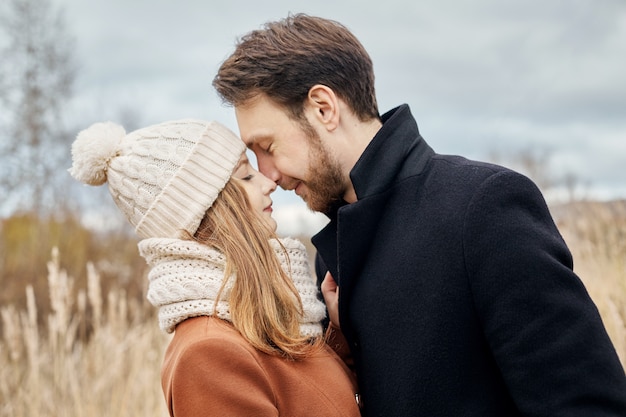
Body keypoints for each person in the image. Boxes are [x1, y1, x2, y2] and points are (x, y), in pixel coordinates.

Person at [212, 13, 626, 417]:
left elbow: (587, 403)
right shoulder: (331, 256)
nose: (267, 174)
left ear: (324, 108)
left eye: (267, 146)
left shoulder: (482, 208)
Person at [69, 119, 361, 416]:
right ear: (206, 212)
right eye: (246, 176)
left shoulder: (278, 320)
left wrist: (339, 332)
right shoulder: (208, 354)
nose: (268, 183)